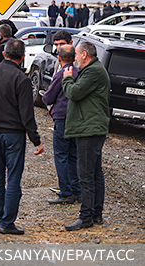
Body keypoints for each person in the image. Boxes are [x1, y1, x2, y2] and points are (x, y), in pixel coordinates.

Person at [0, 39, 44, 235]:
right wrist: (36, 140)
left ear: (4, 54)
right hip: (14, 133)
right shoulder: (21, 79)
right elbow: (27, 114)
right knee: (13, 178)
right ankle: (7, 222)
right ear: (22, 57)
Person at [62, 41, 110, 231]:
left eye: (76, 54)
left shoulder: (93, 71)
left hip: (90, 129)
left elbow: (74, 92)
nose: (74, 58)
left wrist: (66, 78)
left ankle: (86, 216)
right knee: (95, 172)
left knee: (86, 174)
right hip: (91, 127)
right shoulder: (93, 69)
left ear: (84, 55)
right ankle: (96, 214)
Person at [42, 44, 80, 205]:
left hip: (62, 118)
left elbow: (49, 97)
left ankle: (65, 192)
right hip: (76, 119)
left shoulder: (61, 74)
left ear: (59, 58)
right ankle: (76, 190)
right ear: (75, 57)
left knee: (61, 156)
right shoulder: (80, 73)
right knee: (73, 155)